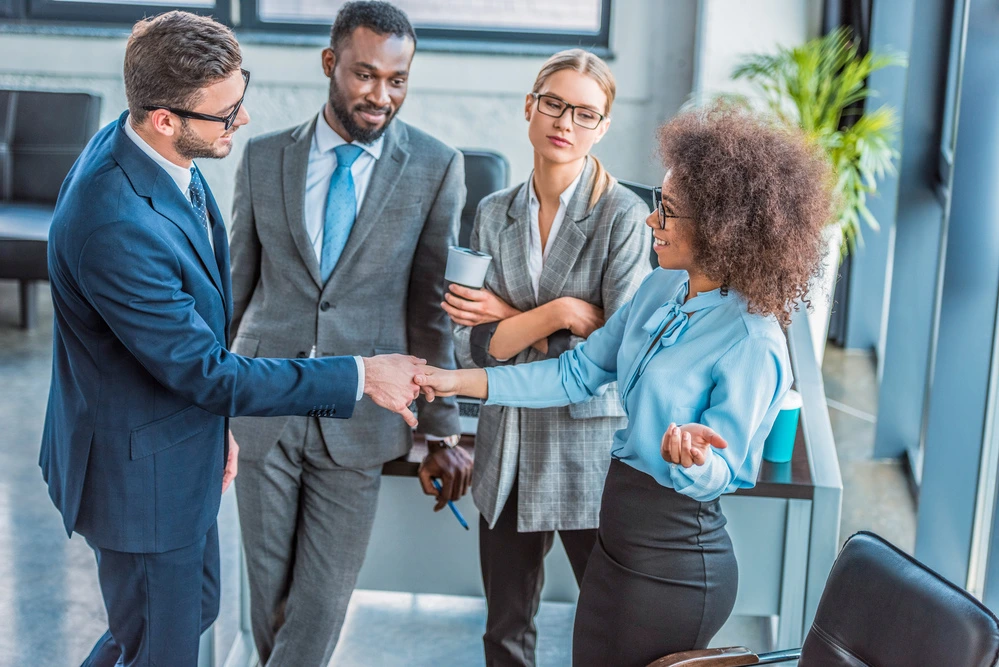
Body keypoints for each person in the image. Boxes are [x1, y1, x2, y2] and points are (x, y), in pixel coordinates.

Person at [39, 11, 425, 667]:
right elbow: (207, 370)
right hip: (139, 478)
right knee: (160, 647)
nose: (241, 121)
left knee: (185, 616)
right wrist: (361, 374)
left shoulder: (143, 143)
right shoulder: (113, 223)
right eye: (225, 114)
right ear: (164, 116)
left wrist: (214, 425)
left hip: (174, 445)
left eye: (239, 99)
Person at [416, 105, 832, 666]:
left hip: (675, 563)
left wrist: (690, 457)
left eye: (668, 210)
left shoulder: (752, 340)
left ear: (719, 228)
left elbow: (724, 472)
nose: (650, 219)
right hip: (619, 547)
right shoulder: (661, 288)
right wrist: (454, 380)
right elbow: (576, 373)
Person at [227, 2, 470, 664]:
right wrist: (209, 396)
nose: (381, 94)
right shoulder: (263, 157)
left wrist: (440, 428)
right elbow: (236, 286)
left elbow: (431, 307)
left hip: (361, 415)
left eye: (398, 79)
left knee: (321, 600)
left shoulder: (434, 166)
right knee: (266, 596)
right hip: (263, 404)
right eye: (366, 75)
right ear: (330, 64)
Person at [441, 48, 650, 667]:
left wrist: (506, 318)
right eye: (555, 104)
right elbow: (470, 345)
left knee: (611, 632)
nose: (566, 122)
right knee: (505, 631)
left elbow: (618, 355)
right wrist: (560, 314)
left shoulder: (624, 217)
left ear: (603, 126)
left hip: (588, 448)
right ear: (529, 107)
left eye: (585, 113)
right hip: (506, 444)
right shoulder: (492, 212)